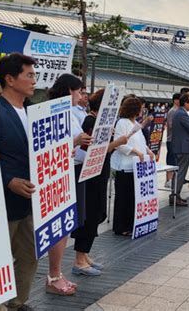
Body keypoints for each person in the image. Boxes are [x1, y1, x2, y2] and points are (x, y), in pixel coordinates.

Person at [0, 53, 39, 310]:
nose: (34, 81)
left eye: (34, 75)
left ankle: (18, 301)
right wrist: (8, 180)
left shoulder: (33, 112)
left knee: (30, 254)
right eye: (29, 75)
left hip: (31, 201)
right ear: (9, 79)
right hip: (4, 202)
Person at [71, 89, 128, 275]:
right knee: (90, 214)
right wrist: (117, 142)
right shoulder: (90, 121)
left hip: (99, 173)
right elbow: (92, 151)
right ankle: (80, 259)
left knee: (96, 213)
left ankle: (85, 255)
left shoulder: (99, 122)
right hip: (90, 175)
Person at [45, 74, 93, 294]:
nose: (82, 95)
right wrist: (76, 141)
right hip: (62, 173)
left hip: (73, 168)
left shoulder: (73, 113)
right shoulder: (55, 111)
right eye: (79, 91)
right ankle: (54, 274)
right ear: (68, 90)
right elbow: (50, 145)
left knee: (67, 225)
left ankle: (57, 273)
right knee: (60, 226)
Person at [111, 97, 154, 235]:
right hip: (125, 165)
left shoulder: (135, 123)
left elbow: (140, 140)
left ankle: (131, 224)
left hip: (136, 166)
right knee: (124, 197)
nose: (142, 111)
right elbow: (119, 144)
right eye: (141, 108)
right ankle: (121, 227)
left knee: (132, 198)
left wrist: (148, 150)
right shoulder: (122, 123)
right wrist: (135, 151)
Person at [165, 93, 181, 188]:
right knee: (171, 161)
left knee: (175, 161)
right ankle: (168, 180)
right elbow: (170, 125)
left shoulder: (178, 111)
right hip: (171, 140)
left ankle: (173, 179)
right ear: (175, 100)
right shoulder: (172, 111)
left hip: (177, 140)